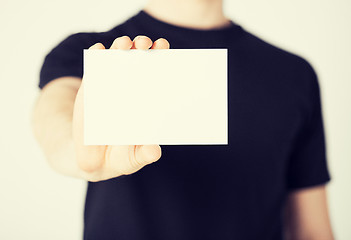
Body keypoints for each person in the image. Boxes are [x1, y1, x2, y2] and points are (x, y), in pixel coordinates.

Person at [32, 0, 335, 239]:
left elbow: (313, 231)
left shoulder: (293, 74)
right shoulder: (89, 53)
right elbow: (57, 111)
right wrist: (78, 150)